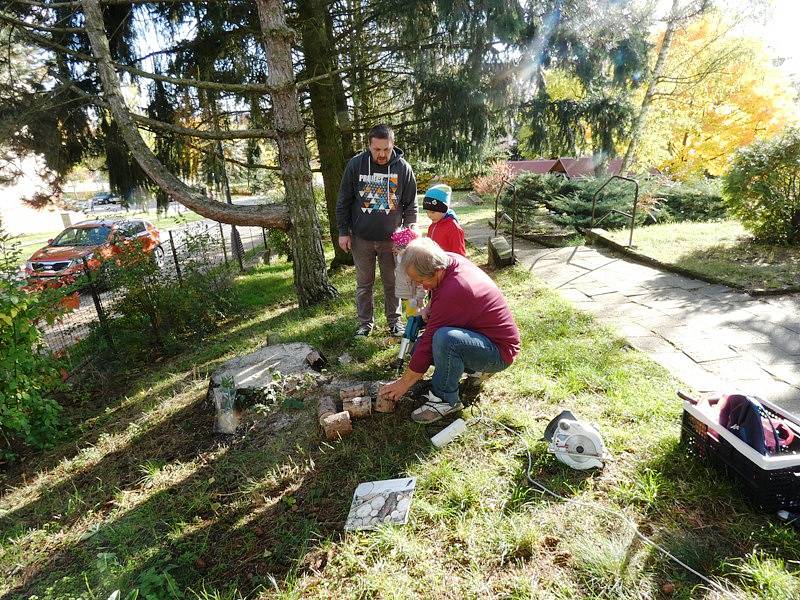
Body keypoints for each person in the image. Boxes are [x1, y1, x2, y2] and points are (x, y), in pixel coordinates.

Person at [380, 238, 520, 423]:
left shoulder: (455, 290)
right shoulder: (448, 260)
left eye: (422, 281)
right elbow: (439, 291)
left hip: (499, 352)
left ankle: (445, 400)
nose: (424, 287)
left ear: (437, 270)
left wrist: (403, 384)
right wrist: (431, 305)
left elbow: (430, 341)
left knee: (445, 340)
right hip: (481, 338)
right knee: (419, 348)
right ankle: (475, 371)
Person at [336, 124, 418, 337]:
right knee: (364, 284)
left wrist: (410, 229)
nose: (382, 154)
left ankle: (395, 322)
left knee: (393, 283)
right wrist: (343, 231)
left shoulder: (403, 168)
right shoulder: (356, 165)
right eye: (377, 150)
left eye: (386, 149)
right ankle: (365, 324)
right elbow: (343, 201)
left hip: (392, 241)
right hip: (361, 238)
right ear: (369, 146)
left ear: (393, 145)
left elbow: (411, 205)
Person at [423, 184, 465, 256]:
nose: (429, 215)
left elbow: (460, 254)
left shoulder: (454, 228)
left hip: (448, 265)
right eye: (427, 212)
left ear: (443, 209)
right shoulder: (432, 226)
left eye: (433, 212)